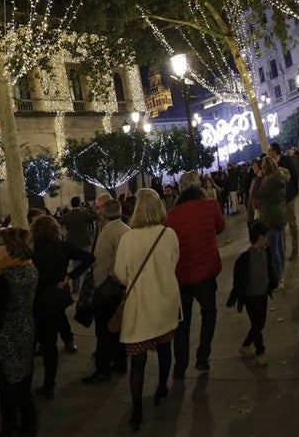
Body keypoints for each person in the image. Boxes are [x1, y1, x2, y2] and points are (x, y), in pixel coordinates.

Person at [113, 188, 180, 433]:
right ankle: (162, 386)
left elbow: (121, 275)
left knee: (137, 362)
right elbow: (174, 262)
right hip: (164, 302)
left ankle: (137, 413)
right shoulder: (169, 234)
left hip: (139, 308)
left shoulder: (128, 239)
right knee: (165, 349)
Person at [165, 170, 226, 378]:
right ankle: (203, 356)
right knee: (209, 314)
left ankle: (180, 365)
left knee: (182, 322)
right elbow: (220, 227)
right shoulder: (210, 206)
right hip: (206, 272)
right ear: (199, 186)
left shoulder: (172, 215)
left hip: (181, 276)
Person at [0, 227, 39, 437]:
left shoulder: (4, 278)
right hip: (25, 331)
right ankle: (28, 425)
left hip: (6, 338)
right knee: (22, 384)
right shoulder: (30, 268)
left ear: (11, 248)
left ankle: (10, 429)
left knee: (7, 387)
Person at [30, 213, 93, 398]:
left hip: (39, 297)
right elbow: (89, 258)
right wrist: (70, 276)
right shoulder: (63, 247)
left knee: (38, 341)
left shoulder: (32, 249)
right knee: (50, 344)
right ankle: (49, 385)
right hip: (58, 295)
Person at [82, 198, 130, 383]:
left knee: (104, 329)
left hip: (107, 287)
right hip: (122, 285)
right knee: (118, 325)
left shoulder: (107, 233)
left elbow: (100, 265)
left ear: (103, 213)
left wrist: (96, 287)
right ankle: (120, 361)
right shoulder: (126, 230)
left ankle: (103, 369)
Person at [226, 221, 278, 366]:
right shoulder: (244, 260)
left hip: (262, 293)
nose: (267, 240)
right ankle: (260, 351)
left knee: (260, 323)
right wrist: (233, 298)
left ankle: (245, 345)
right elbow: (238, 282)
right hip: (250, 296)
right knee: (256, 324)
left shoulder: (266, 252)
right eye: (265, 237)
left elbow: (269, 270)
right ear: (260, 238)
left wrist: (272, 283)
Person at [252, 156, 289, 286]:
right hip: (280, 213)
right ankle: (282, 274)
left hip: (271, 216)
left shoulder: (270, 181)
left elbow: (256, 194)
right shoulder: (280, 177)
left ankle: (278, 278)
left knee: (274, 250)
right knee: (279, 246)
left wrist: (258, 178)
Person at [269, 143, 299, 259]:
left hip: (288, 196)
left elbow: (294, 175)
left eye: (270, 150)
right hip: (278, 199)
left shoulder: (286, 160)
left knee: (292, 223)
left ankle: (295, 248)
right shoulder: (271, 164)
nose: (269, 153)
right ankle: (283, 249)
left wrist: (295, 191)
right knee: (281, 226)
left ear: (276, 151)